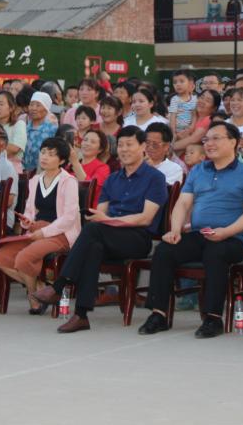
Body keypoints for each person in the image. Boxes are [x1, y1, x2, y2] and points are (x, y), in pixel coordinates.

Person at [32, 126, 167, 333]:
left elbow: (145, 218)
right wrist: (98, 217)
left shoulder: (155, 178)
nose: (124, 149)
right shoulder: (113, 179)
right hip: (107, 235)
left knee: (93, 231)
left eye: (129, 144)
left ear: (142, 147)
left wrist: (109, 220)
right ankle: (81, 315)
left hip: (138, 238)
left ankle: (59, 286)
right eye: (120, 145)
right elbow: (100, 212)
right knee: (93, 246)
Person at [133, 122, 243, 338]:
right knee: (165, 250)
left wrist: (226, 232)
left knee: (216, 252)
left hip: (232, 238)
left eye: (216, 138)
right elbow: (182, 204)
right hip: (200, 234)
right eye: (206, 139)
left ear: (233, 142)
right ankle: (159, 314)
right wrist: (175, 230)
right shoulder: (198, 170)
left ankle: (213, 318)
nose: (209, 144)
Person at [0, 137, 80, 315]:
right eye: (43, 152)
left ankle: (33, 298)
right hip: (37, 230)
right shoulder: (35, 180)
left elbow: (70, 217)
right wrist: (26, 221)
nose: (45, 157)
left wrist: (44, 232)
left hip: (60, 234)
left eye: (51, 154)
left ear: (62, 161)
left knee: (23, 258)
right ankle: (40, 288)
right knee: (1, 257)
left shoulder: (69, 181)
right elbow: (29, 210)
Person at [67, 128, 111, 200]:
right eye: (85, 140)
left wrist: (75, 163)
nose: (87, 144)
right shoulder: (70, 165)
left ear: (100, 149)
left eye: (93, 142)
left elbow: (89, 189)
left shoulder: (103, 168)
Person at [173, 89, 221, 155]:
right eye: (202, 97)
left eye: (208, 101)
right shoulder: (191, 115)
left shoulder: (208, 120)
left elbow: (193, 140)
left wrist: (169, 147)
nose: (202, 101)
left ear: (214, 108)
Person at [0, 91, 26, 172]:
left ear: (11, 108)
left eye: (1, 104)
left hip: (11, 169)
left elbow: (14, 149)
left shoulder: (18, 124)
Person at [23, 92, 58, 172]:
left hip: (43, 171)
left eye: (38, 105)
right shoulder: (26, 126)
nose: (34, 108)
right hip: (24, 171)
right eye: (31, 105)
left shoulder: (52, 129)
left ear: (46, 109)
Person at [168, 69, 198, 139]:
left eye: (182, 81)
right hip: (177, 131)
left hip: (191, 130)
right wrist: (173, 133)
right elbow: (172, 117)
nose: (178, 84)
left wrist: (191, 128)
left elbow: (195, 116)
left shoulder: (195, 99)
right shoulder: (175, 99)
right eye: (175, 82)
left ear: (190, 83)